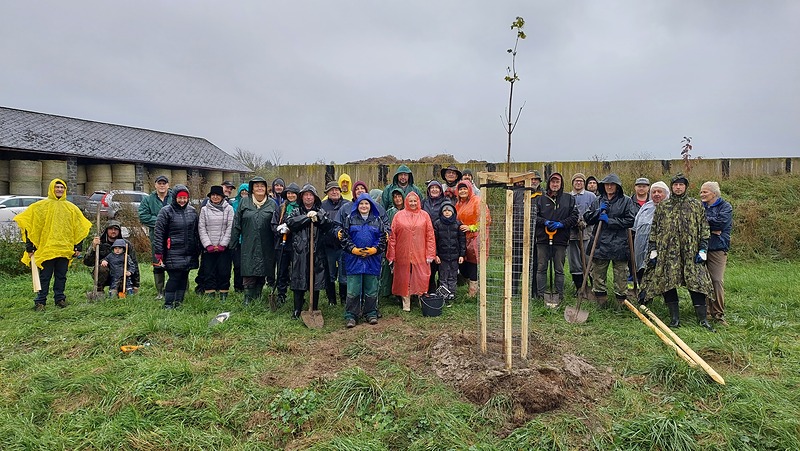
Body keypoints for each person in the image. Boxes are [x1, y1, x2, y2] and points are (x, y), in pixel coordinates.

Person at [643, 174, 715, 331]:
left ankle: (702, 319)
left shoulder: (695, 205)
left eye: (681, 185)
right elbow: (654, 229)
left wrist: (703, 249)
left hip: (690, 252)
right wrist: (653, 250)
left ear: (686, 187)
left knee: (697, 282)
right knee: (668, 282)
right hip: (668, 252)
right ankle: (675, 318)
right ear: (672, 187)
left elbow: (704, 228)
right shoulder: (663, 206)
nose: (678, 187)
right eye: (675, 185)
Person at [15, 178, 92, 310]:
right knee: (45, 277)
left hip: (64, 248)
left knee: (61, 276)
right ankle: (40, 302)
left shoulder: (71, 208)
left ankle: (60, 299)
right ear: (51, 188)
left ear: (65, 190)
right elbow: (29, 224)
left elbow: (79, 227)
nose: (59, 190)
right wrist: (30, 246)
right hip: (47, 248)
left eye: (62, 187)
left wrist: (78, 246)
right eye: (57, 187)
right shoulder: (40, 207)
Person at [583, 173, 636, 306]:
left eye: (612, 185)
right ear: (603, 186)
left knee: (621, 275)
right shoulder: (598, 200)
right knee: (598, 274)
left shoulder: (626, 200)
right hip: (600, 242)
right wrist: (598, 212)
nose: (609, 187)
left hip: (619, 243)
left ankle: (621, 303)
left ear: (618, 187)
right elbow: (587, 217)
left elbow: (630, 220)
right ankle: (601, 302)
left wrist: (610, 221)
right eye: (607, 184)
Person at [340, 193, 388, 327]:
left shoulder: (377, 220)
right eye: (361, 204)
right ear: (357, 205)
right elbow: (344, 238)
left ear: (371, 205)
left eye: (367, 203)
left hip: (372, 260)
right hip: (354, 259)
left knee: (371, 288)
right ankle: (351, 315)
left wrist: (375, 249)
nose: (364, 206)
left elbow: (383, 239)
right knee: (353, 289)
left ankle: (371, 313)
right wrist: (352, 249)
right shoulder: (350, 219)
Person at [286, 184, 332, 319]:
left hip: (316, 252)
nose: (308, 197)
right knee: (298, 280)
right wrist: (307, 217)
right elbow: (291, 223)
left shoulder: (320, 211)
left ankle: (314, 307)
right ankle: (297, 309)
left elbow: (328, 224)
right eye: (305, 194)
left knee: (315, 280)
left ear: (315, 197)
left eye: (310, 195)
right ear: (302, 197)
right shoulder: (296, 211)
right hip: (299, 252)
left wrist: (317, 217)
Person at [230, 176, 277, 305]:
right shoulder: (244, 202)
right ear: (252, 189)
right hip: (248, 243)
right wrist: (232, 242)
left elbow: (277, 224)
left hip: (266, 243)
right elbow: (236, 223)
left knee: (263, 269)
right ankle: (248, 298)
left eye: (262, 186)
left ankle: (258, 296)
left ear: (266, 189)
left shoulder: (272, 204)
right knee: (248, 270)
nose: (259, 188)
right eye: (256, 186)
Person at [386, 191, 436, 311]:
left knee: (421, 276)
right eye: (410, 201)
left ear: (418, 201)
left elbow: (430, 235)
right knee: (404, 277)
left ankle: (421, 299)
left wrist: (430, 253)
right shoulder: (399, 216)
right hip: (402, 253)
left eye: (415, 201)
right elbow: (393, 237)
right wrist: (391, 255)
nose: (413, 203)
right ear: (406, 202)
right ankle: (406, 301)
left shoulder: (424, 215)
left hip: (420, 252)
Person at [153, 184, 200, 309]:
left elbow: (196, 232)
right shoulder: (166, 211)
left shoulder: (192, 211)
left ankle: (178, 302)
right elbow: (159, 233)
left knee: (184, 277)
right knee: (174, 277)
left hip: (188, 251)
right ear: (175, 198)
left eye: (185, 198)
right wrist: (159, 252)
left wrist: (198, 248)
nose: (182, 200)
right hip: (172, 251)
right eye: (180, 198)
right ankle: (168, 303)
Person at [534, 172, 578, 301]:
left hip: (560, 239)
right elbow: (534, 217)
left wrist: (561, 224)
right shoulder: (540, 199)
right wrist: (545, 222)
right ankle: (541, 295)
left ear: (561, 184)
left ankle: (559, 295)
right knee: (541, 267)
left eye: (557, 182)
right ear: (549, 183)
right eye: (552, 182)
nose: (555, 184)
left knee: (559, 268)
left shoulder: (568, 199)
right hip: (543, 239)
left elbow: (574, 217)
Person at [700, 181, 733, 325]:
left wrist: (704, 225)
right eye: (701, 192)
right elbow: (693, 223)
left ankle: (718, 313)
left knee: (716, 280)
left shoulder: (725, 206)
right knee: (702, 280)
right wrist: (710, 229)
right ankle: (705, 311)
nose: (702, 194)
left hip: (718, 248)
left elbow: (721, 224)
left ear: (714, 193)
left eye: (705, 192)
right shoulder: (699, 206)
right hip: (701, 247)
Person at [632, 181, 669, 304]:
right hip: (641, 247)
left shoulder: (670, 208)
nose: (656, 194)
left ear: (666, 193)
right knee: (643, 272)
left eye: (660, 192)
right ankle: (645, 301)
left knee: (662, 274)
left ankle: (668, 302)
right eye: (654, 192)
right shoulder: (646, 207)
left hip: (662, 248)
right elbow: (635, 226)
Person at [198, 185, 234, 300]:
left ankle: (223, 294)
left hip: (223, 248)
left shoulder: (229, 209)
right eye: (213, 195)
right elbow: (201, 228)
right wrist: (208, 244)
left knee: (224, 271)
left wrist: (223, 244)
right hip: (209, 247)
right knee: (208, 271)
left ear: (222, 197)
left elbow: (230, 227)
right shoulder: (204, 210)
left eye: (218, 195)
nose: (215, 197)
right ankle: (210, 294)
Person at [83, 220, 140, 293]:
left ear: (119, 231)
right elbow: (87, 262)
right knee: (102, 268)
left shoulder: (126, 244)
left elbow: (134, 263)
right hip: (104, 274)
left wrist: (136, 284)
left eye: (116, 229)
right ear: (106, 230)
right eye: (111, 229)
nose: (113, 231)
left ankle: (120, 288)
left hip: (121, 274)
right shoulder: (99, 243)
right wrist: (93, 249)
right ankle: (99, 290)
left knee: (121, 291)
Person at [138, 174, 171, 299]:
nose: (162, 186)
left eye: (164, 183)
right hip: (156, 237)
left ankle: (179, 289)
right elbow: (143, 216)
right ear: (155, 185)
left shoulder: (173, 197)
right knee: (158, 263)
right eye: (159, 183)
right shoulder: (148, 199)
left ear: (168, 185)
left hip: (173, 236)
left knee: (176, 263)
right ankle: (160, 291)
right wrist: (161, 221)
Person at [456, 179, 491, 298]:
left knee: (473, 263)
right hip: (463, 238)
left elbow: (485, 219)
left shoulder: (477, 201)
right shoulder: (458, 204)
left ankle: (473, 290)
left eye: (465, 188)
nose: (462, 191)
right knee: (463, 264)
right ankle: (473, 285)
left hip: (476, 237)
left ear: (470, 189)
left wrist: (471, 228)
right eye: (460, 189)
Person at [511, 172, 542, 296]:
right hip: (518, 236)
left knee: (534, 266)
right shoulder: (516, 193)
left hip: (536, 237)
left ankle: (533, 292)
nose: (533, 181)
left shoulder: (542, 195)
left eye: (536, 179)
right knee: (516, 265)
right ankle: (513, 290)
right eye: (531, 179)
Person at [271, 182, 300, 306]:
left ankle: (298, 295)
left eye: (293, 193)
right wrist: (279, 229)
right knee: (282, 271)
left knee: (297, 271)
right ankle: (281, 294)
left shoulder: (300, 208)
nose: (291, 195)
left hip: (296, 244)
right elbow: (273, 224)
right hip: (282, 244)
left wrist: (292, 230)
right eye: (288, 193)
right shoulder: (281, 208)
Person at [320, 180, 349, 305]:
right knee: (330, 274)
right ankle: (332, 299)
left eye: (336, 189)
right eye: (331, 190)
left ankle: (344, 298)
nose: (334, 192)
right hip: (328, 246)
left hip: (344, 246)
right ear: (327, 193)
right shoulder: (322, 206)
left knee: (344, 273)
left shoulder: (347, 205)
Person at [433, 201, 466, 306]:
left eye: (449, 210)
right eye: (445, 210)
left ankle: (452, 293)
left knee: (453, 276)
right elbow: (434, 241)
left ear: (453, 212)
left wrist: (462, 255)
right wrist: (436, 254)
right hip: (442, 257)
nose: (447, 212)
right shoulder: (437, 224)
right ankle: (444, 296)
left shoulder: (458, 224)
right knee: (443, 277)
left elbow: (462, 241)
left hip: (455, 257)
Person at [568, 173, 594, 292]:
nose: (578, 183)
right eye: (576, 181)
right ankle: (579, 287)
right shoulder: (567, 197)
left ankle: (591, 286)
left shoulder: (591, 196)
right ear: (572, 183)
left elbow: (594, 212)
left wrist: (586, 222)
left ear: (584, 183)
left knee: (588, 260)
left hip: (587, 234)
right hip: (572, 234)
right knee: (575, 261)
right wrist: (573, 223)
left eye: (581, 181)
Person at [379, 188, 404, 300]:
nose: (398, 199)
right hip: (392, 243)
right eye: (395, 197)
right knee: (389, 269)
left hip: (404, 244)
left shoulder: (408, 212)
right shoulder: (389, 212)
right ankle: (387, 291)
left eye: (399, 196)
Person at [422, 180, 446, 291]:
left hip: (441, 236)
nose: (434, 190)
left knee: (440, 263)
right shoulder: (424, 202)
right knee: (429, 263)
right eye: (432, 188)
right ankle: (430, 288)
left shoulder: (445, 202)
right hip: (426, 237)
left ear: (441, 190)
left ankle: (443, 289)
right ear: (428, 190)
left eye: (437, 188)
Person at [230, 183, 249, 293]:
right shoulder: (233, 204)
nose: (244, 194)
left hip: (248, 239)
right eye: (242, 192)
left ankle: (246, 285)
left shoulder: (251, 204)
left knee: (246, 265)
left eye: (246, 192)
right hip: (237, 239)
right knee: (237, 265)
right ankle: (238, 286)